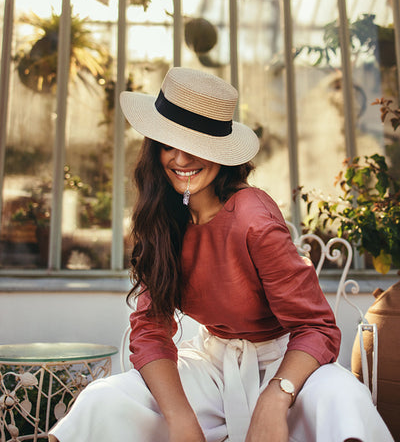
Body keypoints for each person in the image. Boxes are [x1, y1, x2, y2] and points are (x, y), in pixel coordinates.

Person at [49, 67, 394, 442]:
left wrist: (275, 399)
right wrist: (180, 419)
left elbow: (317, 327)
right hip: (211, 365)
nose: (180, 160)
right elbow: (150, 328)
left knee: (342, 398)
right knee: (106, 400)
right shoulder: (164, 216)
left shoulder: (253, 218)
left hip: (286, 362)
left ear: (221, 151)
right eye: (168, 144)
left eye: (195, 144)